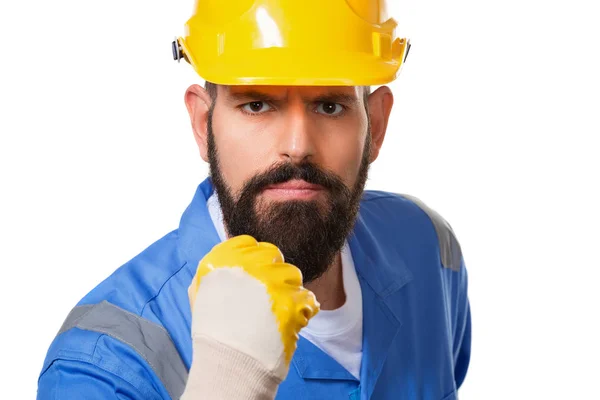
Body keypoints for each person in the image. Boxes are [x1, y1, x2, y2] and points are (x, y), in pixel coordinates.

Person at [37, 0, 471, 399]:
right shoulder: (105, 361)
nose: (298, 146)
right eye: (258, 104)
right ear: (203, 123)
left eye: (330, 106)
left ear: (375, 124)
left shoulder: (429, 250)